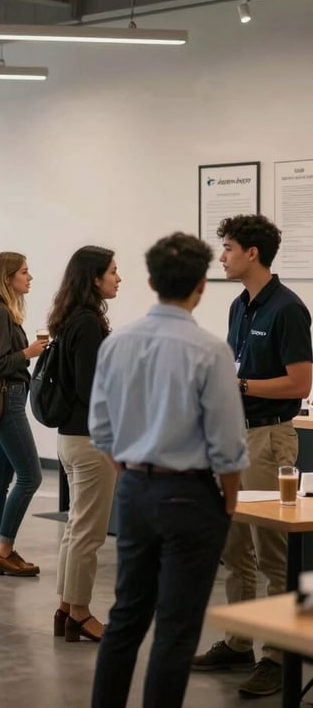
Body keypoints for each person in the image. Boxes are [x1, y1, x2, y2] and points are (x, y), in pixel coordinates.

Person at [88, 232, 248, 708]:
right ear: (202, 284)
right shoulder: (209, 349)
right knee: (177, 629)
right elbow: (227, 443)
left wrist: (135, 473)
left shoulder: (118, 343)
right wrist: (230, 504)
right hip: (192, 496)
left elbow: (101, 427)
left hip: (135, 489)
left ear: (153, 280)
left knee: (125, 618)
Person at [192, 214, 313, 697]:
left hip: (269, 439)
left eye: (226, 248)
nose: (221, 257)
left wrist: (237, 383)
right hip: (232, 437)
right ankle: (239, 641)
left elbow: (301, 383)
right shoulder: (240, 307)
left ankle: (280, 656)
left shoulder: (288, 309)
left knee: (273, 553)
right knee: (234, 546)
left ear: (252, 254)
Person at [47, 246, 120, 642]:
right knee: (89, 533)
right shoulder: (88, 323)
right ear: (94, 278)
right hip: (90, 441)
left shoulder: (69, 318)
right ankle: (79, 613)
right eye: (112, 271)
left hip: (70, 439)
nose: (118, 277)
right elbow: (92, 387)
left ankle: (64, 609)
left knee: (77, 528)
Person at [0, 252, 45, 577]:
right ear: (7, 278)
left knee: (0, 478)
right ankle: (4, 549)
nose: (30, 277)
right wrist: (28, 353)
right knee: (31, 475)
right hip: (8, 400)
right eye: (24, 272)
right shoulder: (0, 312)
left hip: (6, 399)